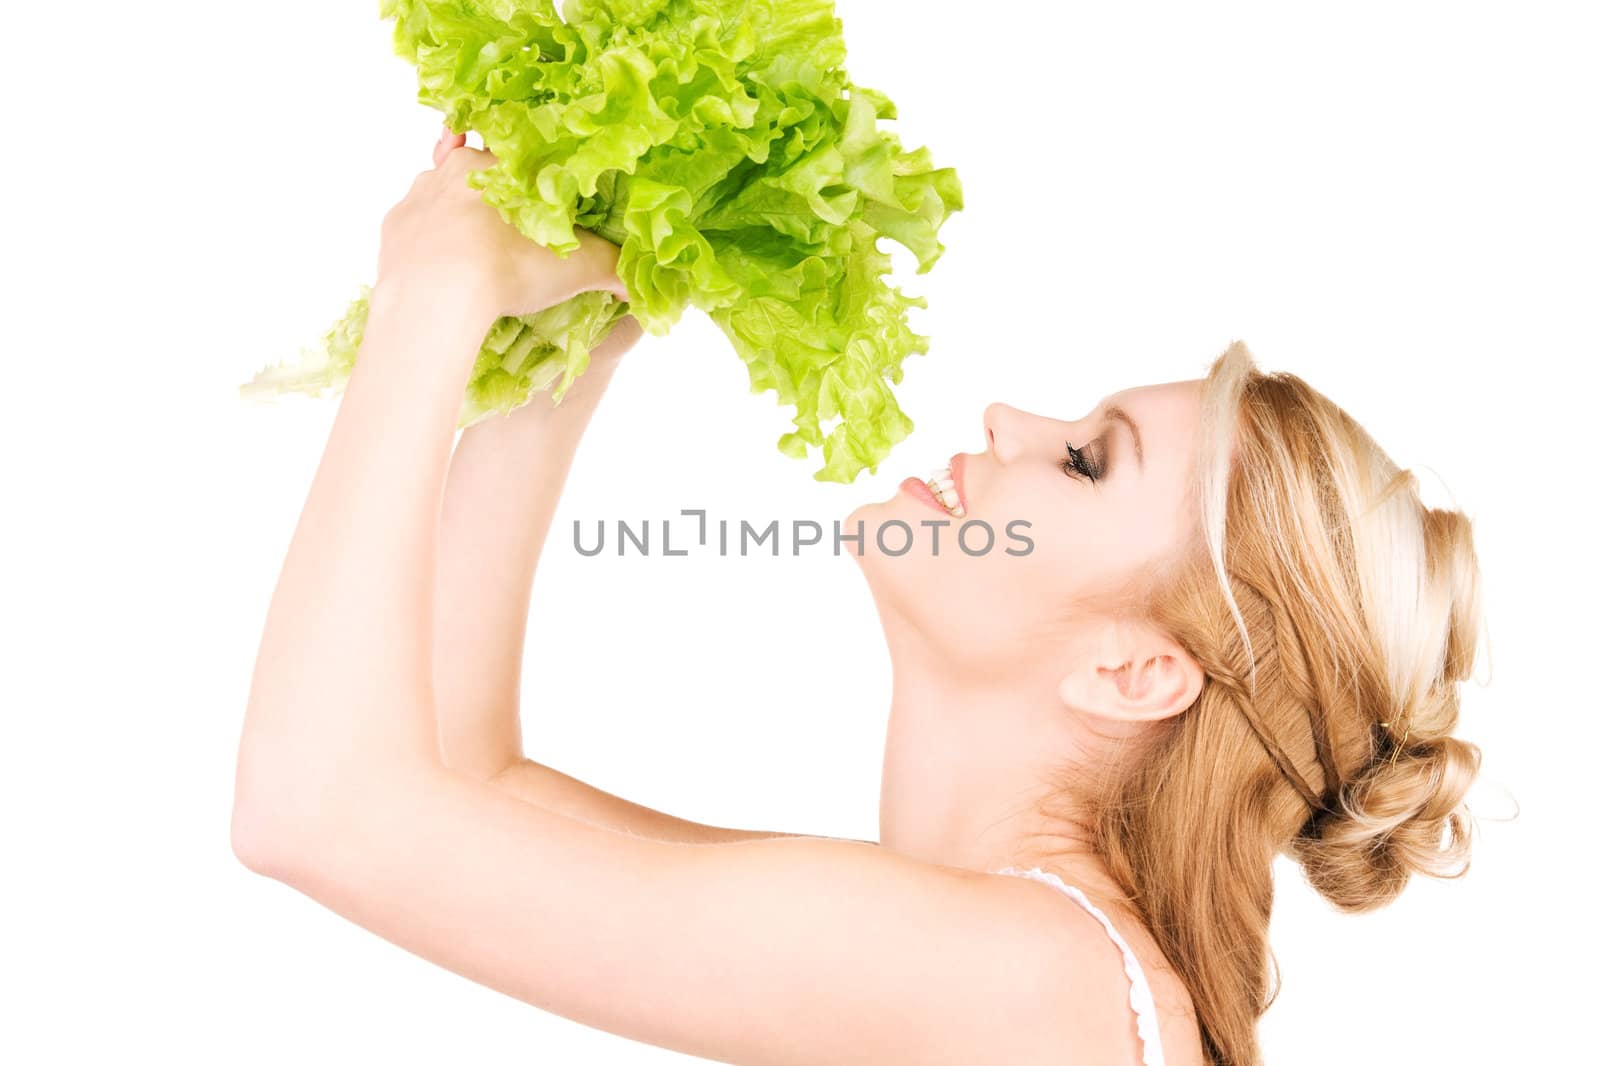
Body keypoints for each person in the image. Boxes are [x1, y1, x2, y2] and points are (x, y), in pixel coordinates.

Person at [232, 126, 1485, 1066]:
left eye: (1087, 457)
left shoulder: (1032, 978)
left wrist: (431, 297)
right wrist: (588, 330)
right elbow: (459, 773)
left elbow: (314, 809)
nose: (1010, 417)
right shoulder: (1014, 956)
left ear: (1134, 671)